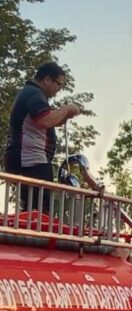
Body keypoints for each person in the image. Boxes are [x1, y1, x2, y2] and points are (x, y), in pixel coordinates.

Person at [4, 62, 83, 210]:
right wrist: (66, 108)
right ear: (47, 79)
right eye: (58, 84)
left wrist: (65, 116)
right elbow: (45, 120)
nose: (59, 89)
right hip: (30, 160)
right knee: (40, 208)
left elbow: (46, 122)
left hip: (29, 159)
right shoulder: (34, 94)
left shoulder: (30, 93)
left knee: (35, 206)